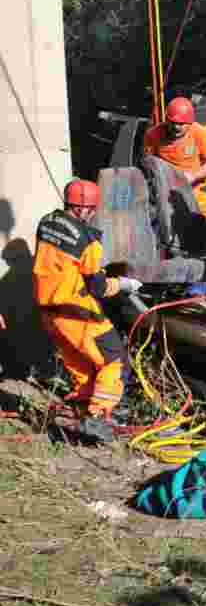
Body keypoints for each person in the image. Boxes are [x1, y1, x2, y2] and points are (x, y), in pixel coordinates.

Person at [33, 180, 142, 441]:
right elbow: (98, 287)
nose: (92, 214)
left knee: (82, 364)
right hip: (76, 311)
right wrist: (124, 284)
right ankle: (96, 417)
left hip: (49, 311)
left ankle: (81, 408)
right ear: (83, 209)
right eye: (91, 209)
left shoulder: (46, 223)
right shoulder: (88, 241)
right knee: (113, 358)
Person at [143, 96, 206, 295]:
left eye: (182, 124)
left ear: (190, 122)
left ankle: (196, 288)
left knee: (198, 238)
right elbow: (148, 163)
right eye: (173, 123)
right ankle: (168, 282)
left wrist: (192, 176)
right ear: (166, 120)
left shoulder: (199, 133)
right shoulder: (153, 134)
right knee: (165, 236)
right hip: (166, 193)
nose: (177, 128)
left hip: (196, 191)